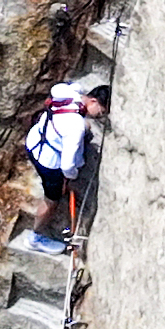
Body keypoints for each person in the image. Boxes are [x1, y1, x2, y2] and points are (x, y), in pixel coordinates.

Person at [25, 80, 108, 249]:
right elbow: (67, 165)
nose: (99, 117)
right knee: (52, 199)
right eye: (100, 113)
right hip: (48, 162)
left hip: (34, 140)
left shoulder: (68, 93)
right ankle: (35, 237)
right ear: (92, 101)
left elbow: (62, 87)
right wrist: (72, 177)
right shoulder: (76, 126)